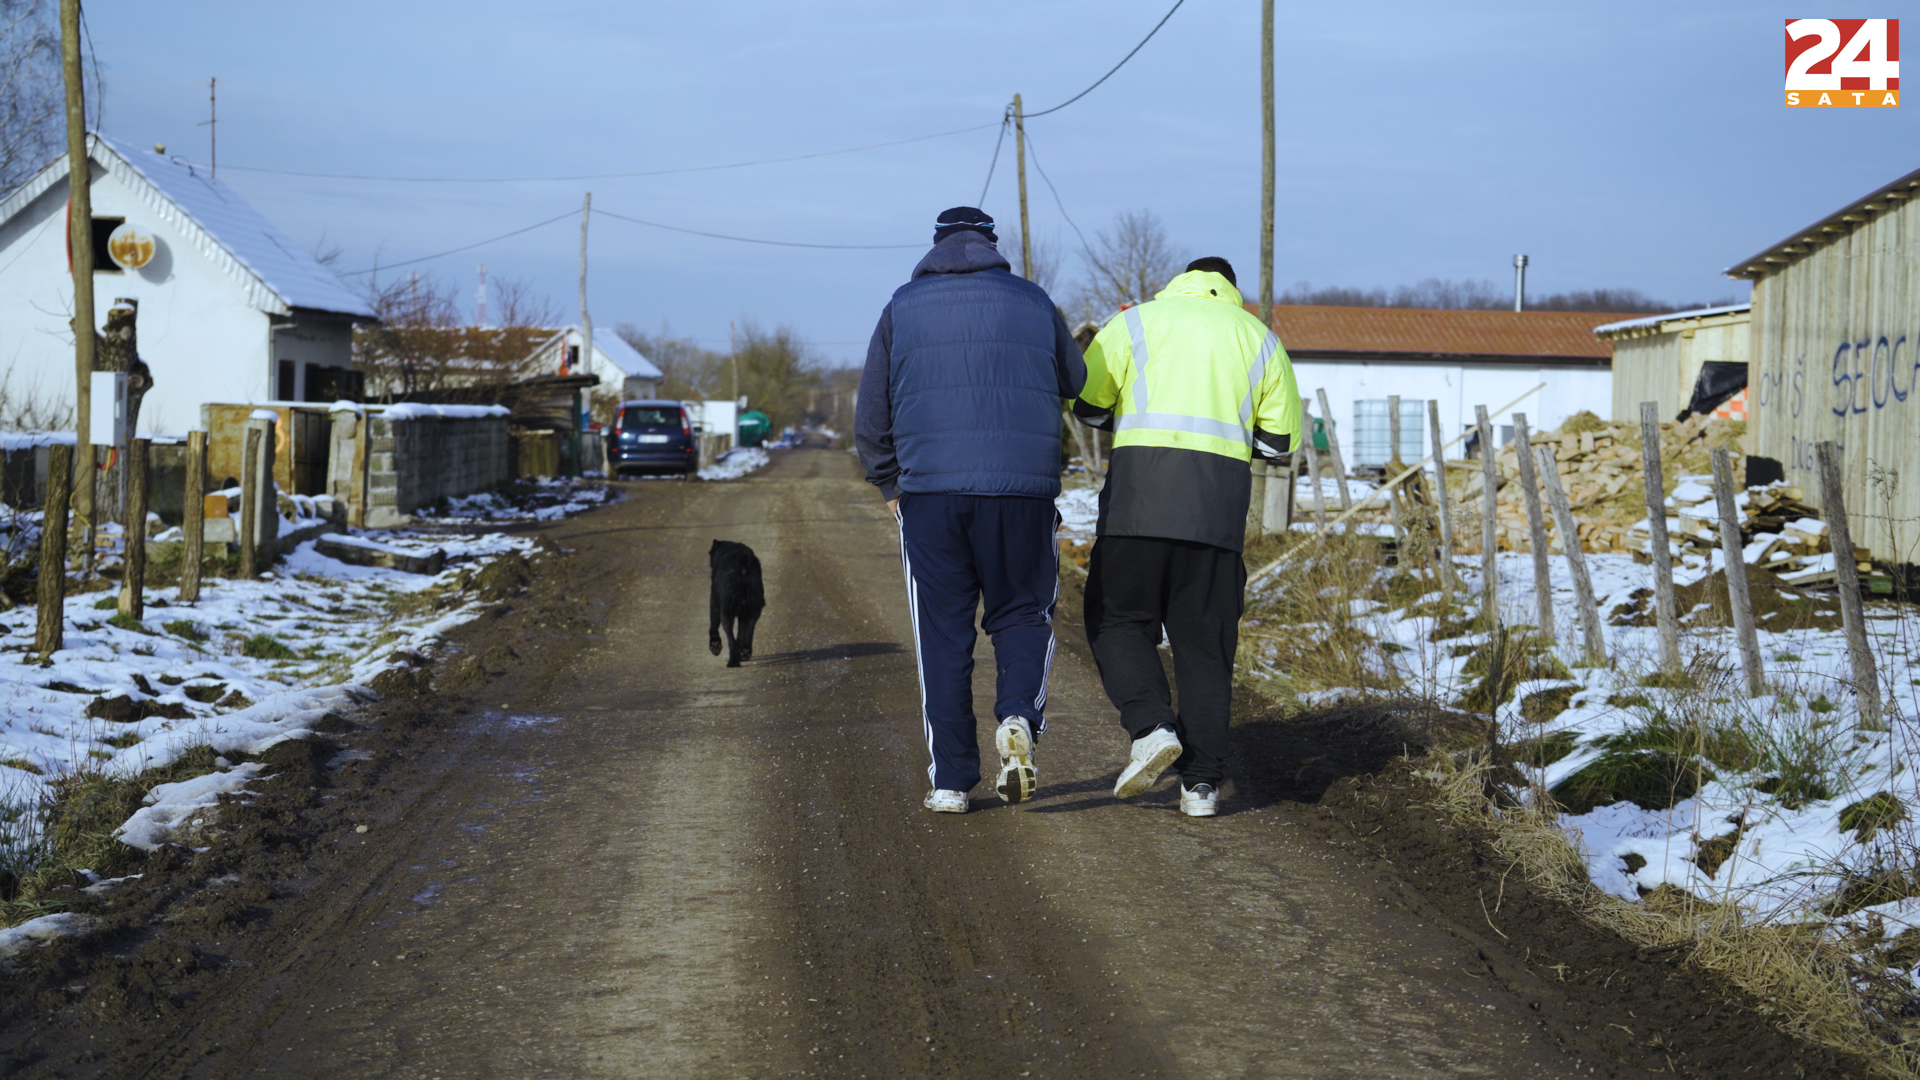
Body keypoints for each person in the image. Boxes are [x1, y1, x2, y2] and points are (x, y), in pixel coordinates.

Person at [856, 207, 1087, 815]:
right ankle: (1016, 716)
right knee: (1022, 615)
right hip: (1023, 495)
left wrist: (889, 483)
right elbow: (1078, 378)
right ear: (992, 245)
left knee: (942, 637)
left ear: (935, 246)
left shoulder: (901, 307)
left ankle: (952, 780)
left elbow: (871, 412)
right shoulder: (1034, 302)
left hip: (931, 495)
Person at [1072, 256, 1300, 817]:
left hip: (1135, 509)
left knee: (1117, 620)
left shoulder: (1132, 323)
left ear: (1179, 282)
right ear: (1230, 290)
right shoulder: (1261, 338)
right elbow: (1279, 443)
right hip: (1215, 519)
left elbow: (1089, 405)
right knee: (1205, 646)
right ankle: (1201, 786)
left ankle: (1151, 726)